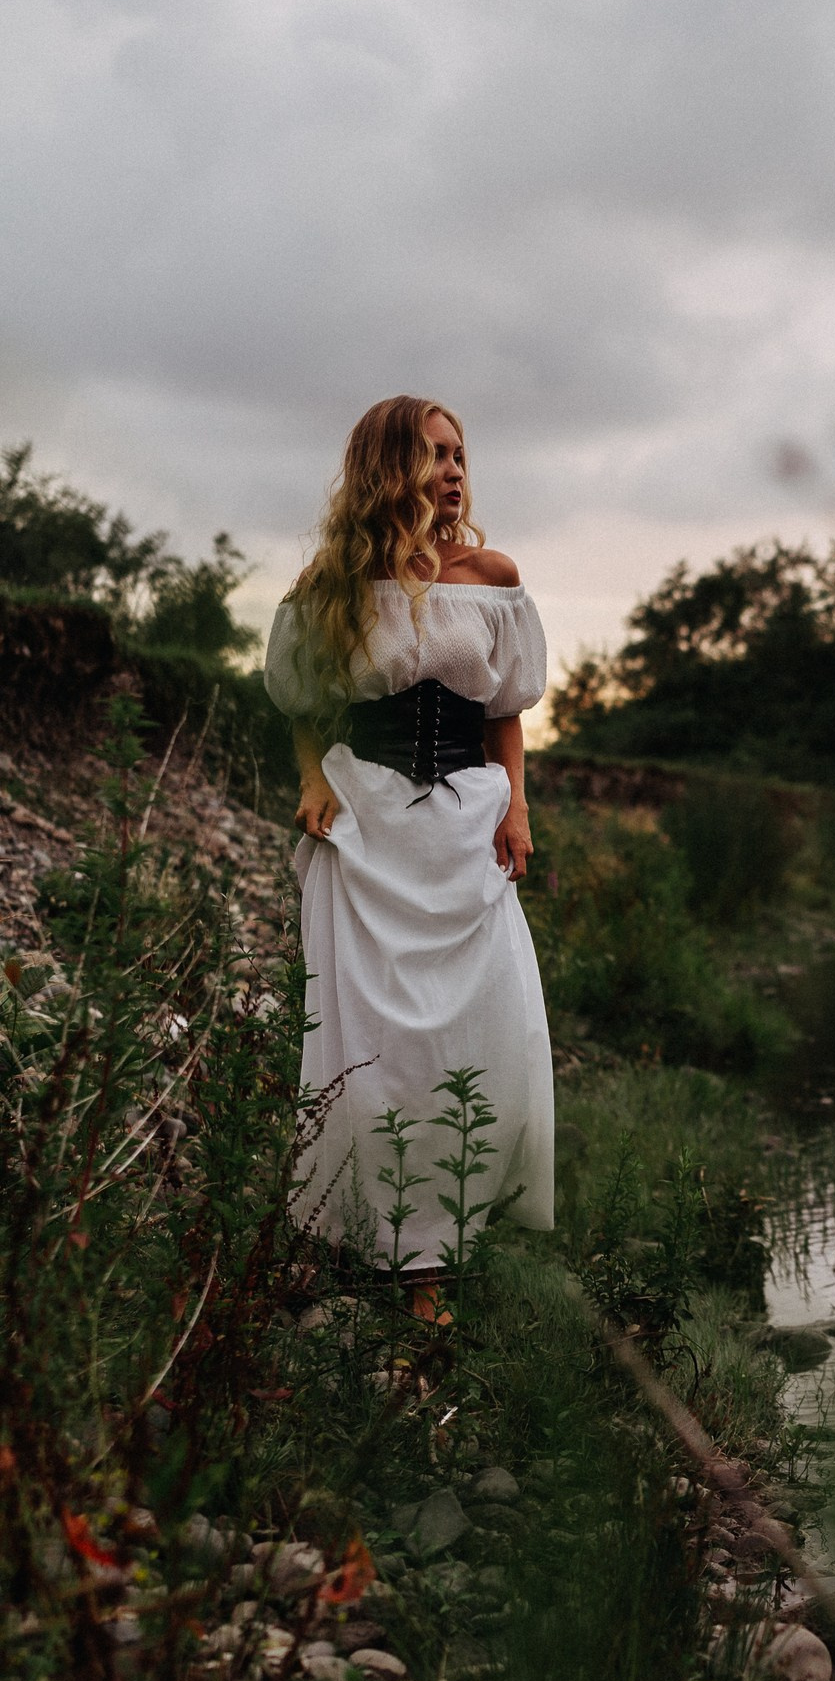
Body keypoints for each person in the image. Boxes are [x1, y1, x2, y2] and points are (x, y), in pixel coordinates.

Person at [264, 396, 554, 1320]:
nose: (454, 469)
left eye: (461, 452)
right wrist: (312, 783)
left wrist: (516, 811)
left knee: (474, 1033)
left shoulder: (492, 576)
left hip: (466, 824)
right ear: (389, 467)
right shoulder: (333, 583)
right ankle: (393, 1255)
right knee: (376, 1044)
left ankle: (451, 1236)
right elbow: (303, 701)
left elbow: (504, 711)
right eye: (433, 453)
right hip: (370, 825)